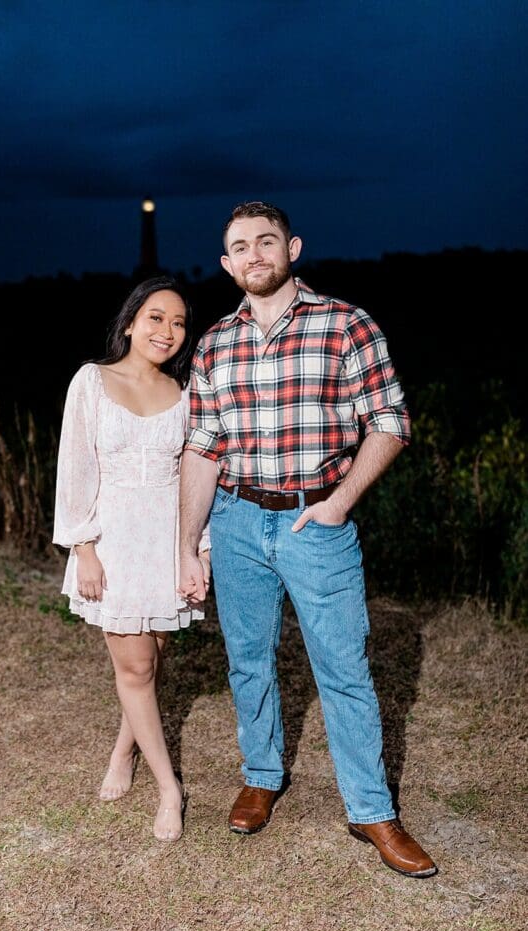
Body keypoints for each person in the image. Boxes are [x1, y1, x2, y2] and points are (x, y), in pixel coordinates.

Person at [178, 202, 437, 878]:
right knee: (247, 660)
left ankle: (371, 810)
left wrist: (339, 501)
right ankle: (262, 775)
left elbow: (390, 421)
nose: (254, 255)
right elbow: (202, 447)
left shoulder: (345, 324)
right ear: (227, 264)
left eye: (266, 241)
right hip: (235, 520)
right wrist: (188, 543)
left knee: (343, 669)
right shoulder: (214, 343)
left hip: (314, 522)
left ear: (291, 248)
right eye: (240, 247)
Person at [53, 276, 211, 842]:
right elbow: (75, 468)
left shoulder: (185, 393)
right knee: (136, 669)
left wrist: (199, 550)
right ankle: (170, 787)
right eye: (155, 318)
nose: (167, 331)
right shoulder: (92, 382)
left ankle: (124, 750)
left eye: (178, 323)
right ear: (129, 323)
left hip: (167, 542)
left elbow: (196, 478)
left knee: (153, 660)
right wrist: (85, 549)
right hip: (113, 542)